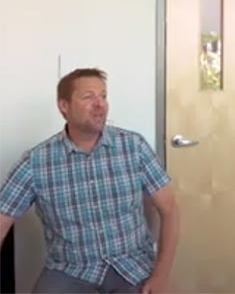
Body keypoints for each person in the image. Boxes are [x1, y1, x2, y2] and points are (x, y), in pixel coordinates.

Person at [0, 68, 179, 294]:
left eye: (103, 96)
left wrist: (161, 276)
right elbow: (2, 219)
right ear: (64, 106)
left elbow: (170, 209)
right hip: (69, 270)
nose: (100, 104)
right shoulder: (36, 161)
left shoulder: (133, 146)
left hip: (132, 266)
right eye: (88, 97)